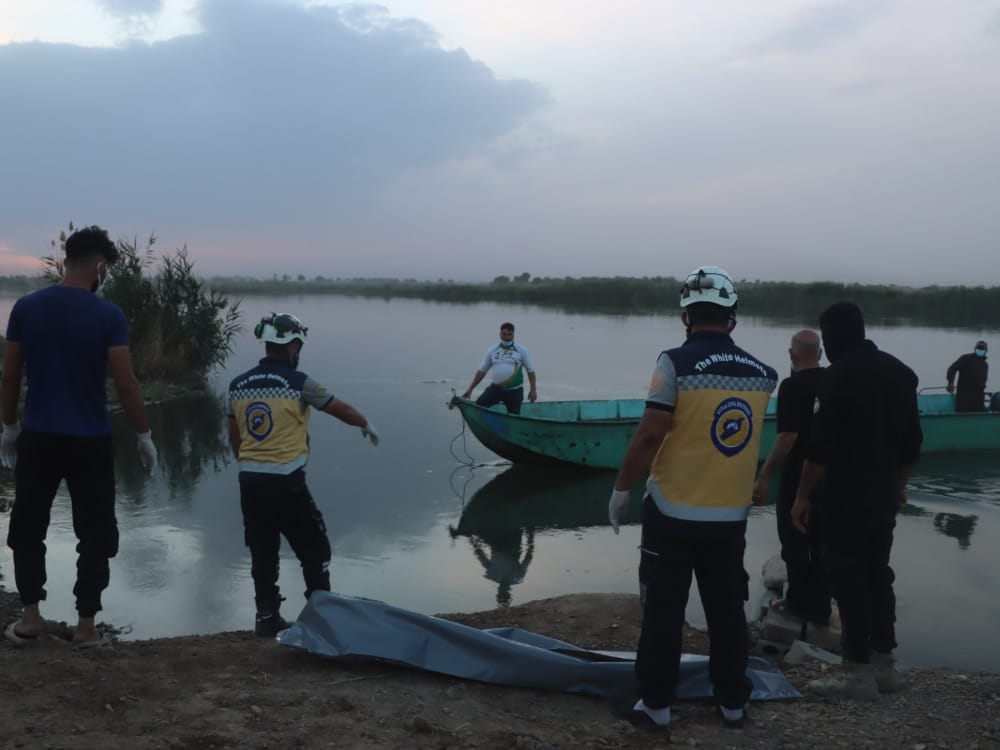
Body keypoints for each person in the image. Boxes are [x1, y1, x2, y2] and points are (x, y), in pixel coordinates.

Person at [607, 265, 778, 730]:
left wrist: (621, 488)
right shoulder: (764, 375)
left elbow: (650, 434)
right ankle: (733, 703)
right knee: (727, 611)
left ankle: (656, 705)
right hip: (730, 517)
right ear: (732, 316)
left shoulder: (674, 364)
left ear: (686, 317)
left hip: (672, 513)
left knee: (664, 612)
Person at [1, 225, 158, 648]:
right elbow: (126, 382)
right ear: (100, 266)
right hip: (90, 441)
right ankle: (86, 626)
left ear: (66, 260)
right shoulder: (108, 315)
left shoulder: (26, 308)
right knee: (95, 533)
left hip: (39, 436)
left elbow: (10, 375)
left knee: (28, 527)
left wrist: (10, 428)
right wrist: (143, 435)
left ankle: (30, 619)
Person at [791, 302, 922, 700]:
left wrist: (801, 497)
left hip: (845, 497)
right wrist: (900, 486)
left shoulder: (836, 378)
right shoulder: (901, 373)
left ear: (831, 337)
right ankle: (885, 667)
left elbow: (820, 450)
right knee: (878, 575)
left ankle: (856, 673)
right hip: (884, 496)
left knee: (848, 579)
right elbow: (912, 443)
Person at [227, 312, 380, 637]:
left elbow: (235, 437)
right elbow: (338, 408)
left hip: (250, 483)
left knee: (263, 552)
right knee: (315, 550)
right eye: (299, 347)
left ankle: (266, 617)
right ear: (293, 346)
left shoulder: (236, 386)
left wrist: (252, 466)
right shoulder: (298, 383)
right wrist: (365, 423)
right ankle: (321, 618)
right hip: (287, 483)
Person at [753, 330, 831, 628]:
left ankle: (797, 604)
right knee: (821, 543)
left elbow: (788, 436)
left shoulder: (792, 386)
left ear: (791, 354)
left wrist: (764, 475)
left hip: (798, 476)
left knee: (794, 540)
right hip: (829, 476)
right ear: (820, 354)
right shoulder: (833, 380)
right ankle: (821, 608)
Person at [461, 322, 537, 414]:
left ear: (513, 335)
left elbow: (531, 371)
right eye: (504, 334)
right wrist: (470, 388)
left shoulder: (522, 350)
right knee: (479, 406)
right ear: (500, 334)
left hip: (515, 391)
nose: (507, 337)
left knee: (514, 416)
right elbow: (482, 371)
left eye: (510, 334)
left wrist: (533, 390)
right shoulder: (492, 350)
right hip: (496, 389)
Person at [946, 341, 988, 412]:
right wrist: (950, 382)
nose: (980, 350)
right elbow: (952, 369)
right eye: (979, 348)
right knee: (962, 412)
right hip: (964, 394)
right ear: (975, 348)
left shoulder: (985, 365)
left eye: (982, 349)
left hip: (978, 396)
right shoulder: (965, 358)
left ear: (986, 351)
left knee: (978, 413)